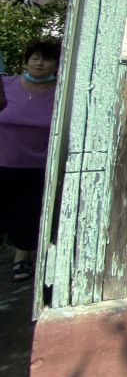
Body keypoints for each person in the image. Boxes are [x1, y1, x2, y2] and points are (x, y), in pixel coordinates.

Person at [0, 40, 60, 282]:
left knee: (28, 214)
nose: (39, 62)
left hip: (38, 166)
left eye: (46, 58)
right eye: (34, 57)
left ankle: (22, 259)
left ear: (56, 64)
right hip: (3, 161)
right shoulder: (6, 85)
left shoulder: (61, 91)